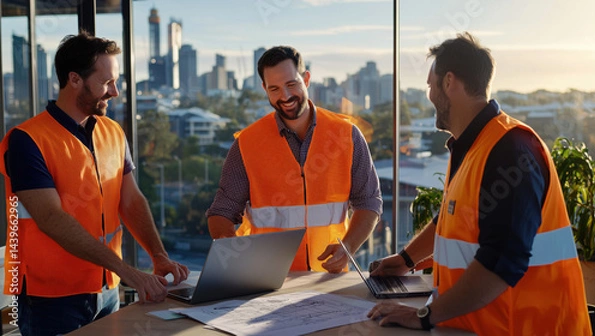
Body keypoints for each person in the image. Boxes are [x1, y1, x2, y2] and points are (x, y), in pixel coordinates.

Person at [368, 33, 591, 335]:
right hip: (479, 327)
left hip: (526, 328)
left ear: (449, 82)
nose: (429, 94)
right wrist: (407, 259)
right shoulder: (473, 146)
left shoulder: (511, 151)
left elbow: (500, 264)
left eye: (430, 85)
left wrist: (423, 315)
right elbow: (450, 219)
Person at [0, 32, 189, 336]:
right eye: (106, 82)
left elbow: (131, 200)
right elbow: (51, 218)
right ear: (74, 79)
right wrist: (130, 273)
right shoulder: (27, 141)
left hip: (107, 289)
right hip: (50, 299)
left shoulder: (113, 131)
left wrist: (158, 256)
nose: (115, 92)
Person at [206, 45, 382, 273]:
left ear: (306, 79)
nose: (285, 96)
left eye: (291, 84)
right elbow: (221, 212)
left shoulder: (346, 136)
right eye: (275, 89)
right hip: (266, 279)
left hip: (328, 278)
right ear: (264, 89)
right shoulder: (246, 144)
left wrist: (348, 247)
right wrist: (234, 254)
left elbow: (369, 202)